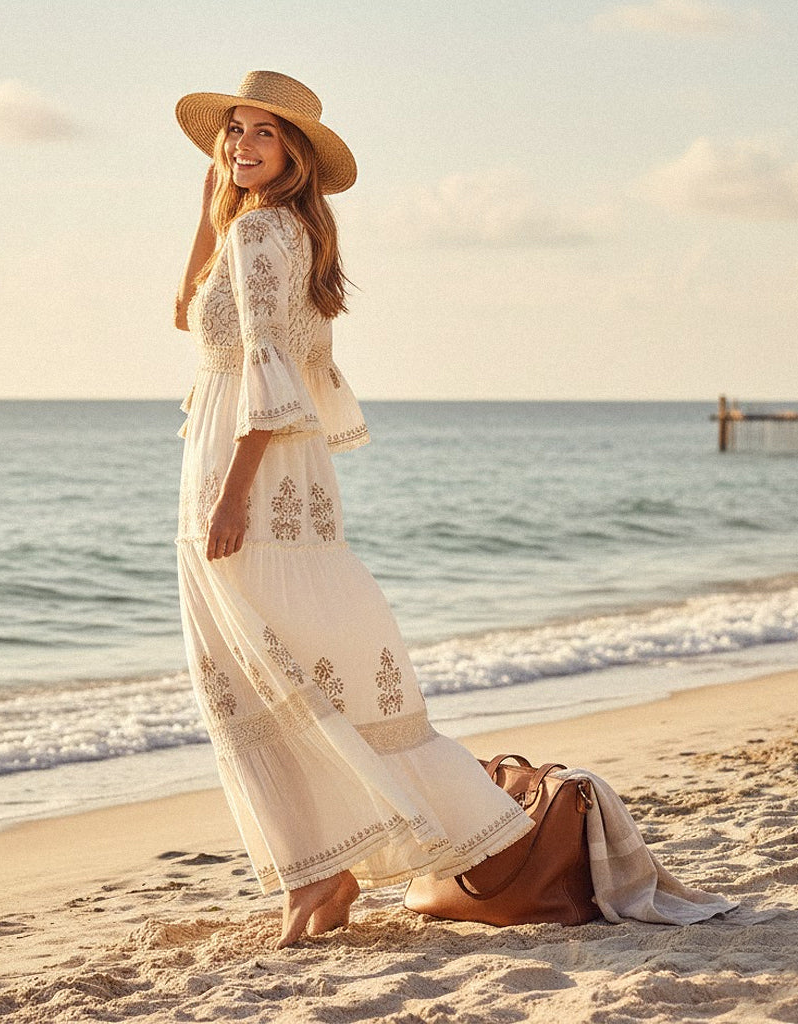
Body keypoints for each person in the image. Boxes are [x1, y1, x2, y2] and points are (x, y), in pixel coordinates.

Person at [173, 70, 534, 949]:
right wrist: (208, 204)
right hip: (272, 466)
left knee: (256, 671)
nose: (243, 145)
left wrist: (232, 496)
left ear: (296, 153)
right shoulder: (277, 229)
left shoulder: (261, 231)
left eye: (264, 133)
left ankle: (323, 874)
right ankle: (319, 873)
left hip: (245, 467)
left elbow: (266, 364)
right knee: (287, 663)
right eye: (234, 131)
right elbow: (188, 313)